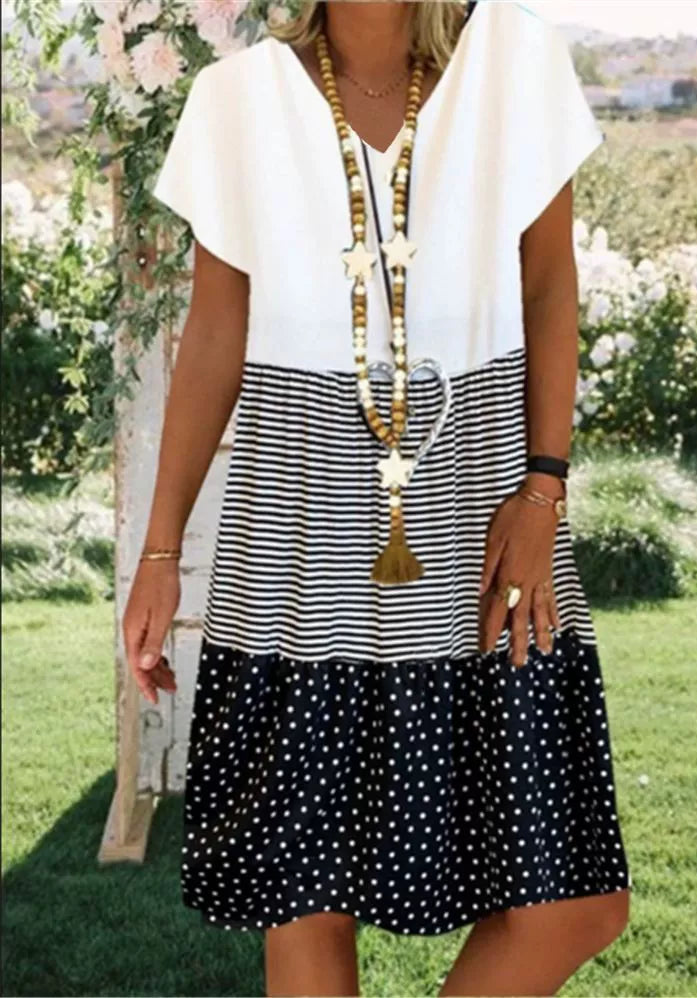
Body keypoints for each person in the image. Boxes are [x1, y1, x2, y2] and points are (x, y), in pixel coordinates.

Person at [123, 2, 631, 995]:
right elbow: (214, 335)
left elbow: (548, 286)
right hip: (297, 535)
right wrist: (159, 552)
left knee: (573, 899)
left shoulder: (514, 61)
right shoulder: (236, 102)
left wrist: (544, 489)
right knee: (305, 896)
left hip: (484, 519)